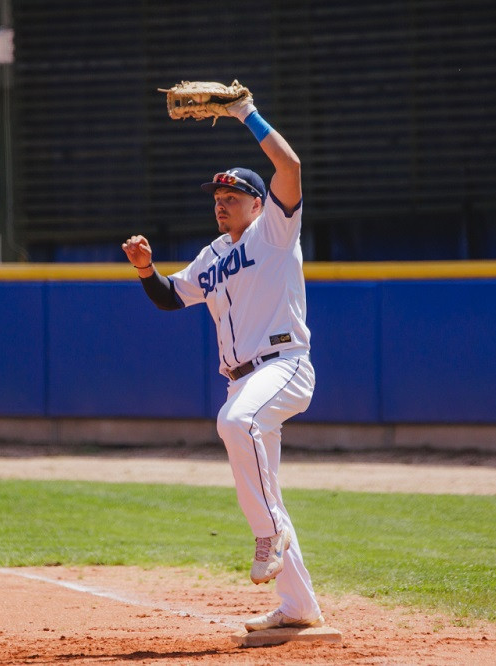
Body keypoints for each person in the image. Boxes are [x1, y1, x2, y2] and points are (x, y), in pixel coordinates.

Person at [121, 92, 323, 633]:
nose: (222, 200)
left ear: (258, 203)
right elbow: (171, 297)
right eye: (217, 194)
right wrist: (146, 269)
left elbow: (291, 165)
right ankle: (300, 605)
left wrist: (245, 114)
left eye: (233, 193)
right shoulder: (212, 255)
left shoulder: (275, 232)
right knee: (258, 477)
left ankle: (268, 533)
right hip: (243, 379)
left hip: (284, 364)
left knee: (235, 424)